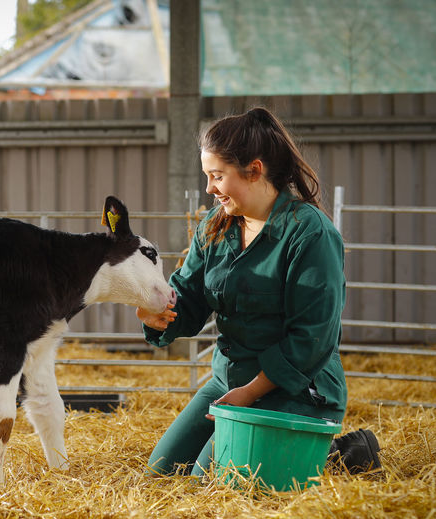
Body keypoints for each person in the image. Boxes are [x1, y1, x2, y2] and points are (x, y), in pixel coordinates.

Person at [137, 106, 379, 478]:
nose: (209, 188)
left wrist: (251, 392)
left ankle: (334, 453)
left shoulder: (310, 233)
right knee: (163, 471)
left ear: (254, 169)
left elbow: (312, 338)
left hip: (294, 389)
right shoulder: (213, 227)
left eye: (217, 176)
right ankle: (299, 454)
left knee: (208, 482)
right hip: (228, 380)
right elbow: (187, 297)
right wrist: (161, 315)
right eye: (207, 176)